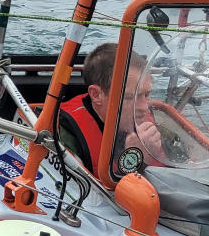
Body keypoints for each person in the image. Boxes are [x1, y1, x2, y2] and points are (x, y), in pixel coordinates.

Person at [58, 43, 163, 180]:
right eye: (129, 97)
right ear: (96, 95)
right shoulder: (65, 136)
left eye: (147, 94)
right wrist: (134, 158)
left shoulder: (155, 123)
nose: (144, 108)